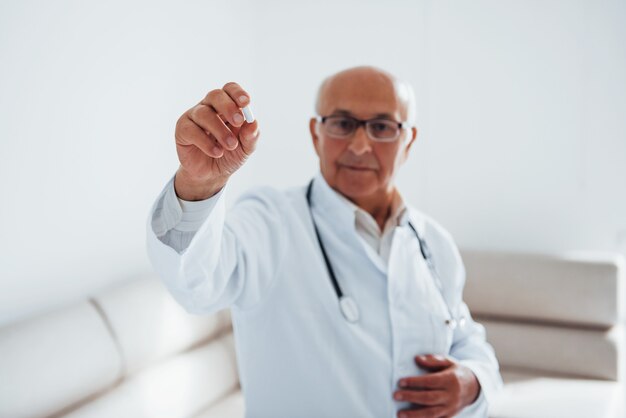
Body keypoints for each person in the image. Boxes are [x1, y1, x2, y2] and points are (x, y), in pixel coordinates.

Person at [147, 66, 502, 418]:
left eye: (382, 127)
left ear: (408, 141)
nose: (360, 146)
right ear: (316, 134)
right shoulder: (271, 221)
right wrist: (197, 184)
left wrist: (472, 383)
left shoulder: (434, 243)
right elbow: (195, 282)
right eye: (343, 124)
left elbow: (466, 338)